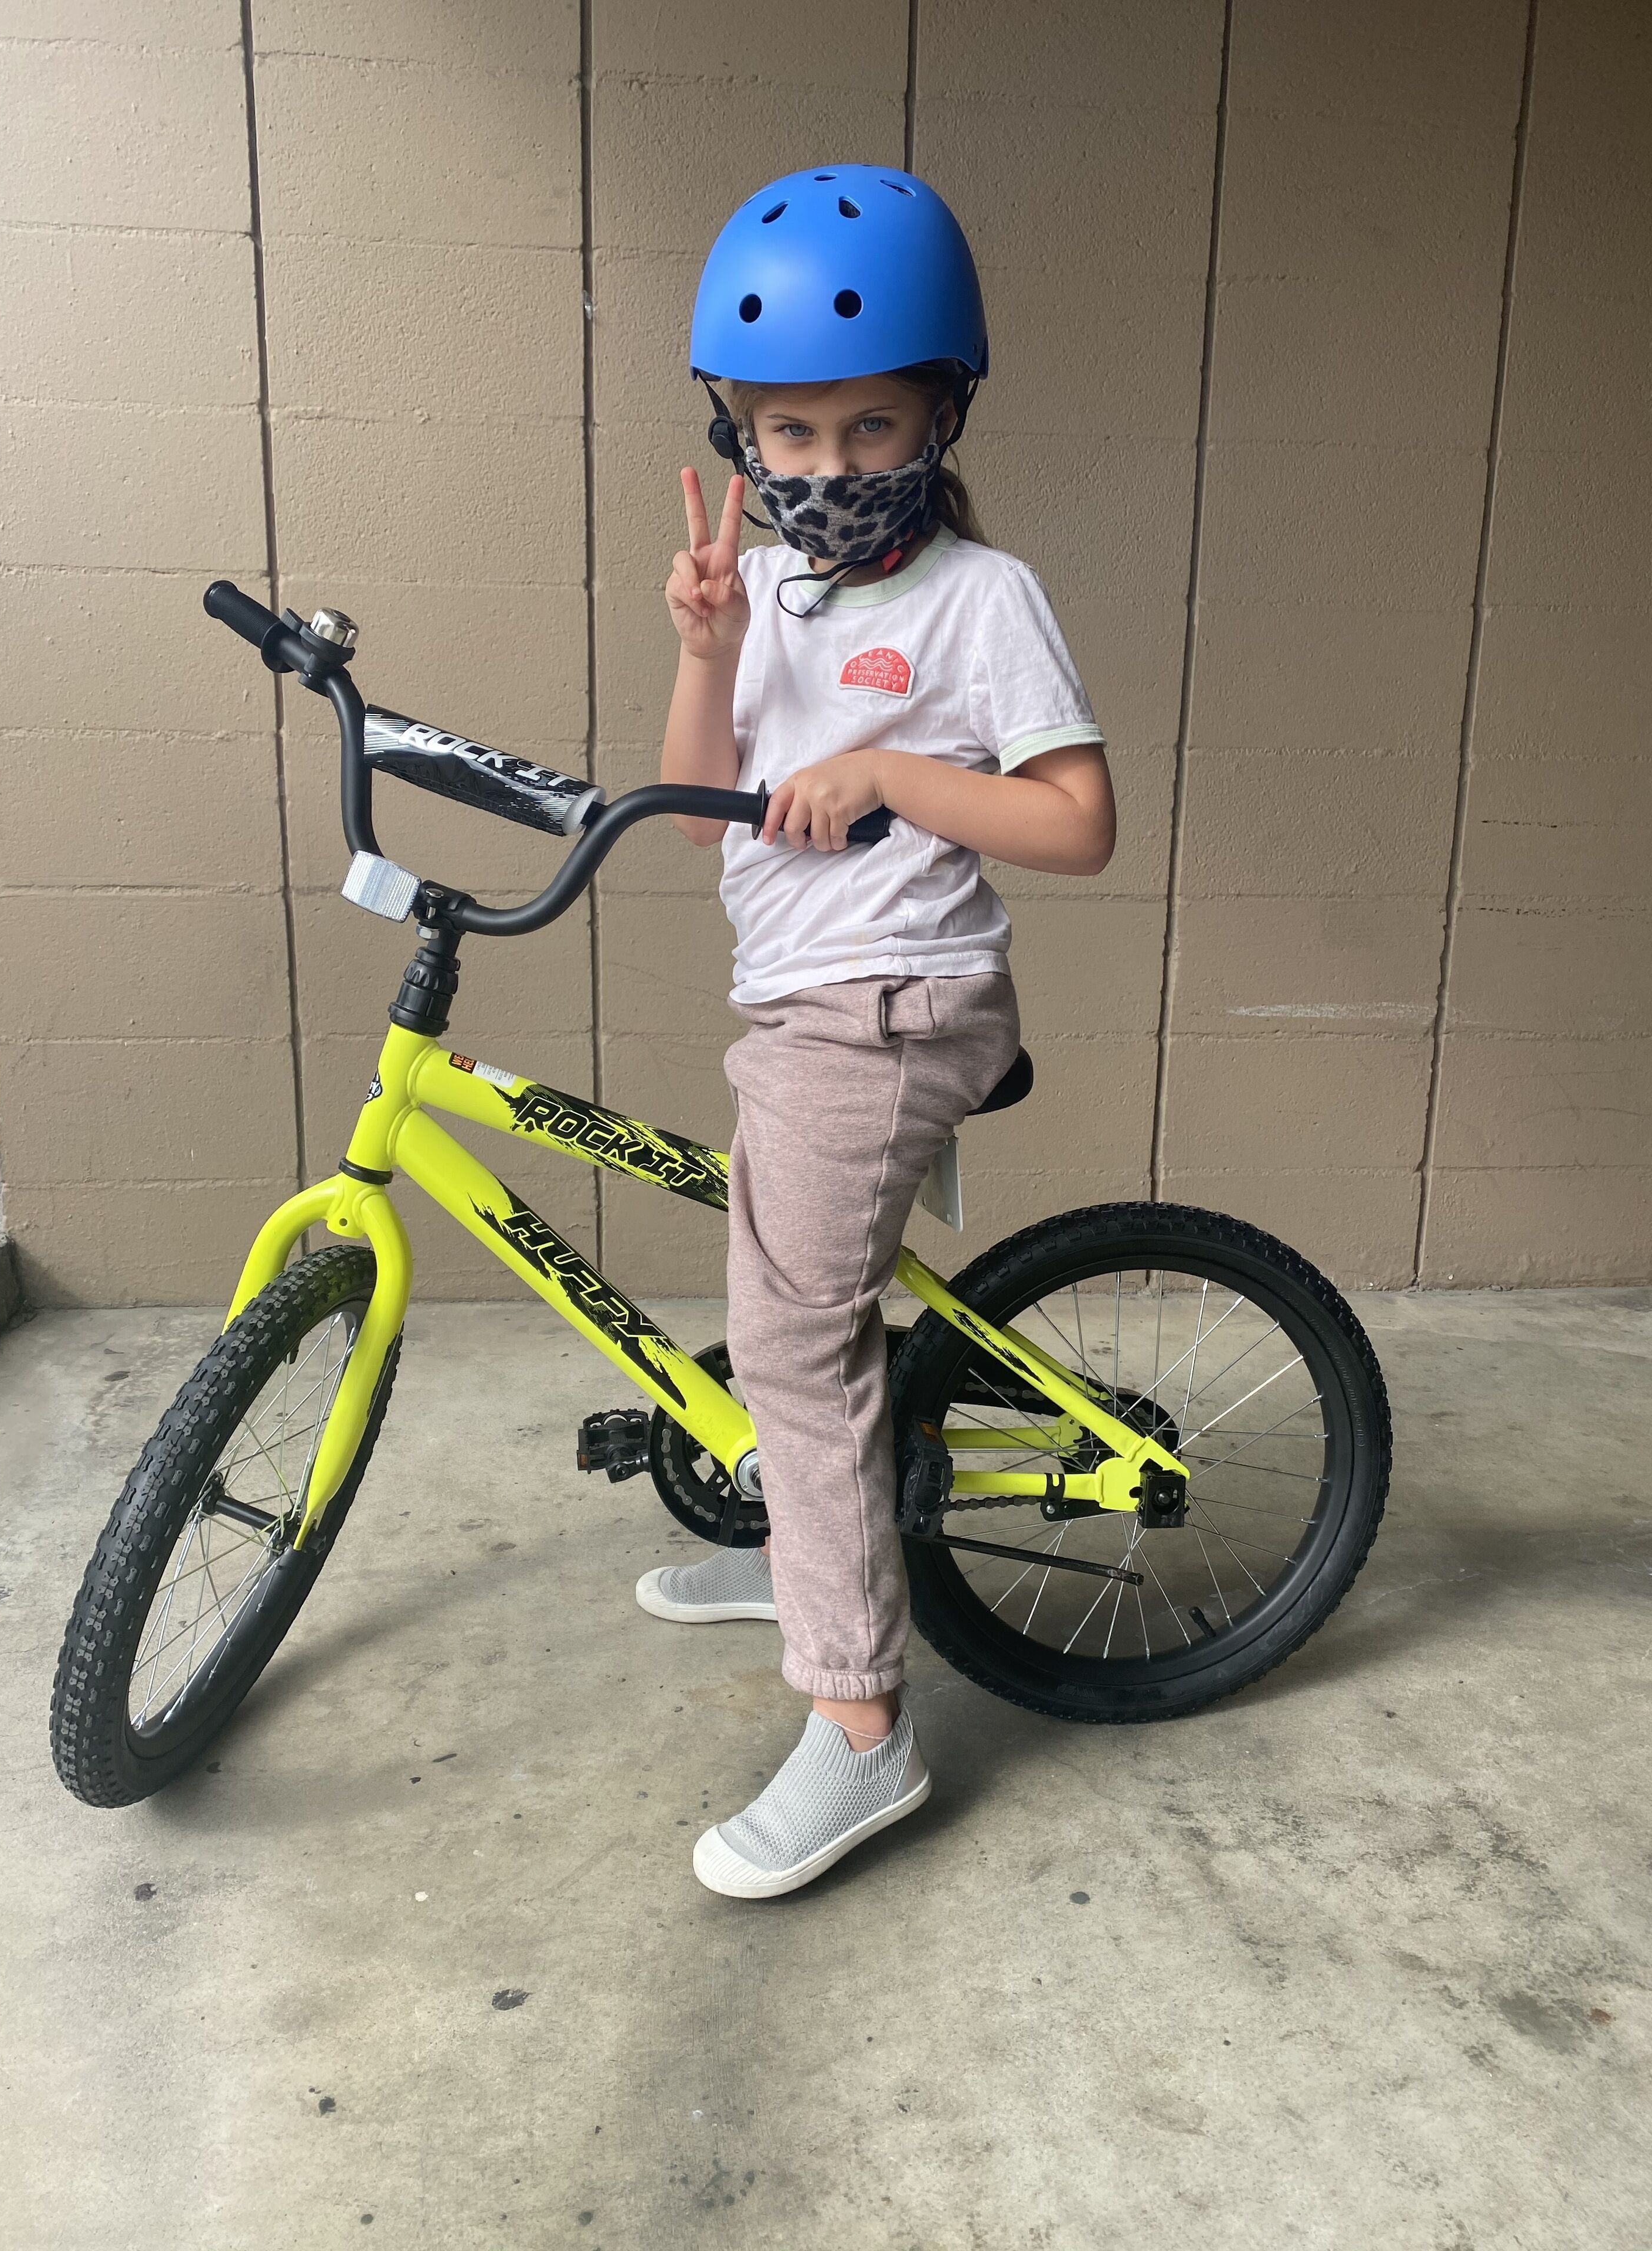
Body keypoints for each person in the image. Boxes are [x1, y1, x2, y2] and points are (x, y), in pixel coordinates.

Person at [631, 164, 1116, 1898]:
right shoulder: (765, 588)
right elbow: (699, 808)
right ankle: (816, 1546)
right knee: (795, 1297)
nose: (828, 466)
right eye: (791, 433)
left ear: (941, 416)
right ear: (740, 435)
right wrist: (706, 648)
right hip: (799, 1005)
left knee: (790, 1335)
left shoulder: (983, 599)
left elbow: (1078, 825)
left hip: (897, 1002)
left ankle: (860, 1723)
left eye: (870, 427)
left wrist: (897, 773)